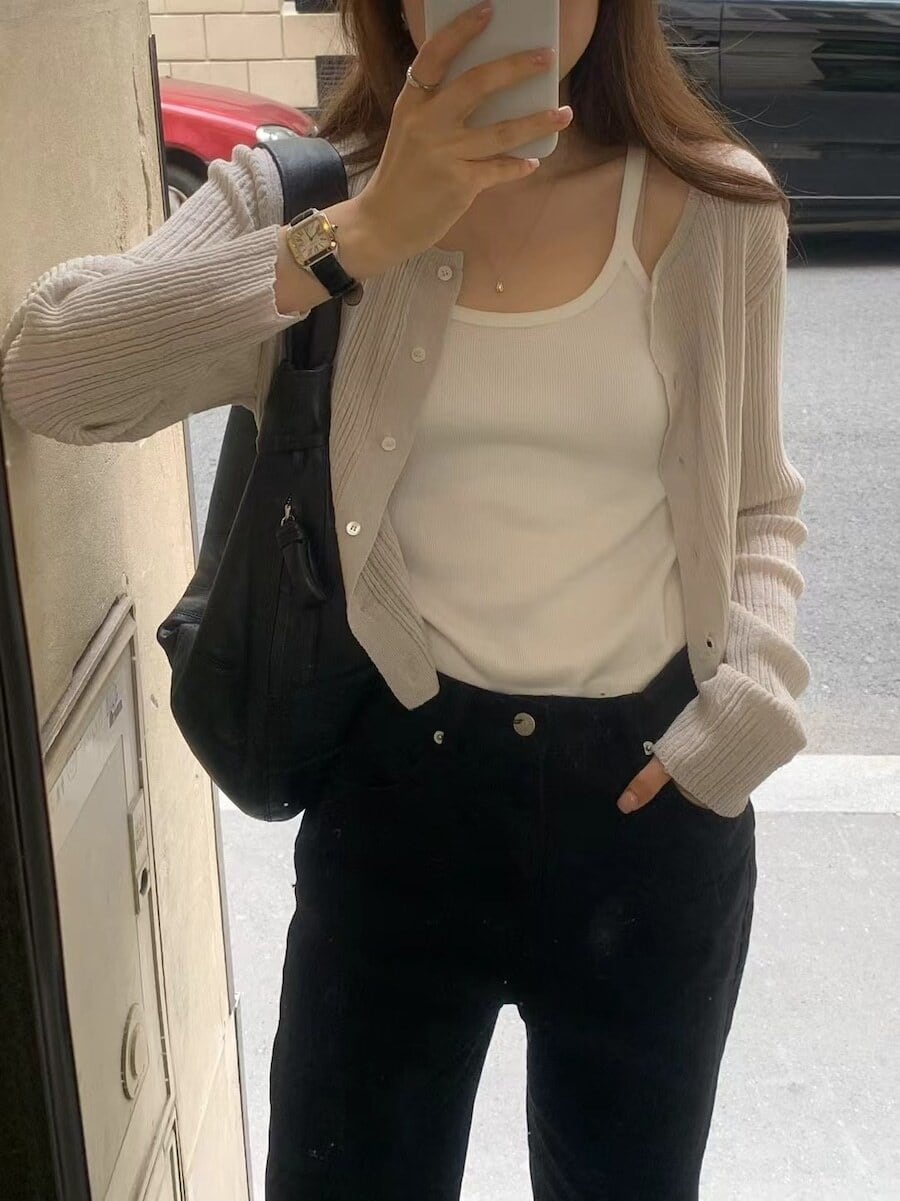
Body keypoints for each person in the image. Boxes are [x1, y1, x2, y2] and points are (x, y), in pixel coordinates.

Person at [1, 1, 811, 1197]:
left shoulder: (718, 207)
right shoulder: (310, 198)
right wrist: (363, 233)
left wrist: (743, 710)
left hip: (650, 808)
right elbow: (50, 371)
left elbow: (758, 506)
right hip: (399, 796)